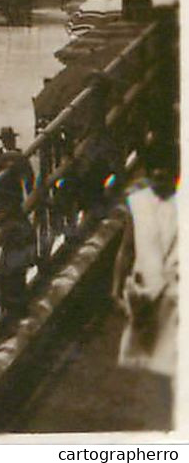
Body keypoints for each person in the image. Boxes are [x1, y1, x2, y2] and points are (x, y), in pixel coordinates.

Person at [114, 160, 178, 390]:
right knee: (144, 356)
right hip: (146, 287)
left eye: (165, 178)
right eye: (155, 179)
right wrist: (116, 289)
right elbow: (126, 248)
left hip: (175, 290)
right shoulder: (140, 206)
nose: (160, 184)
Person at [0, 127, 35, 213]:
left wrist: (30, 195)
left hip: (15, 195)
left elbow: (29, 176)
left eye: (12, 139)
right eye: (8, 140)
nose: (11, 142)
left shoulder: (20, 155)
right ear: (3, 142)